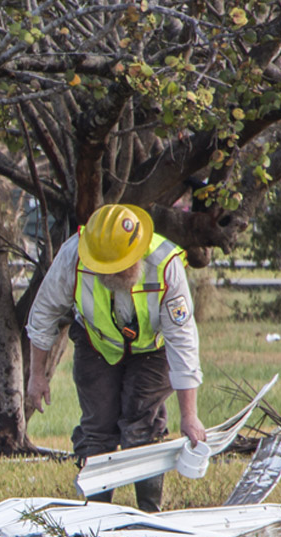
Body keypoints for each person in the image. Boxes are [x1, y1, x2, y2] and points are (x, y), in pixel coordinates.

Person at [25, 203, 206, 513]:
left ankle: (149, 515)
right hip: (97, 344)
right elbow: (43, 315)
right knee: (97, 428)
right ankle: (96, 519)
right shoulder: (74, 256)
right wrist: (37, 375)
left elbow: (182, 340)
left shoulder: (165, 263)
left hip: (153, 350)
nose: (116, 271)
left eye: (122, 263)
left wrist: (189, 415)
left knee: (140, 426)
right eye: (107, 265)